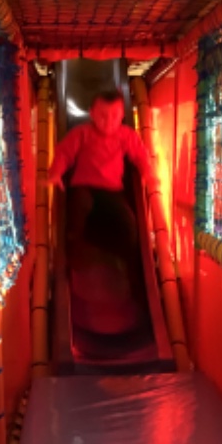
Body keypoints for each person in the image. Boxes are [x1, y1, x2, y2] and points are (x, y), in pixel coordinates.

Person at [44, 89, 156, 299]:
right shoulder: (82, 133)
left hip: (112, 191)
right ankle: (73, 253)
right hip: (84, 187)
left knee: (129, 222)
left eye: (114, 116)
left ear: (122, 116)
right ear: (91, 114)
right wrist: (56, 172)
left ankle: (133, 273)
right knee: (80, 206)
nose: (109, 121)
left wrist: (147, 173)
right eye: (103, 116)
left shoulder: (126, 135)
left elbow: (140, 155)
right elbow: (64, 152)